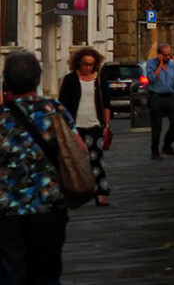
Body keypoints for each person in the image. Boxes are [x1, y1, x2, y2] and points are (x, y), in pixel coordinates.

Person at [0, 49, 74, 282]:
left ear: (6, 82)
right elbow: (78, 150)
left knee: (11, 273)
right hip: (48, 206)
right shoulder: (54, 111)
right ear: (38, 79)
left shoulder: (1, 118)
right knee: (47, 273)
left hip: (7, 210)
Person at [55, 50, 109, 207]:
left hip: (94, 125)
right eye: (85, 64)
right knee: (72, 161)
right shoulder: (70, 80)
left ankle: (100, 194)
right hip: (75, 126)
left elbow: (106, 103)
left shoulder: (98, 79)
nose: (88, 67)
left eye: (91, 64)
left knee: (97, 160)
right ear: (78, 63)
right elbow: (62, 105)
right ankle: (71, 194)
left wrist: (106, 125)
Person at [143, 44, 174, 158]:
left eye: (169, 54)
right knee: (157, 126)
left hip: (170, 96)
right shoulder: (151, 63)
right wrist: (160, 65)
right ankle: (155, 150)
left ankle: (167, 145)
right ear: (159, 55)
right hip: (156, 97)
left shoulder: (171, 63)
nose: (167, 57)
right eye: (165, 55)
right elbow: (151, 78)